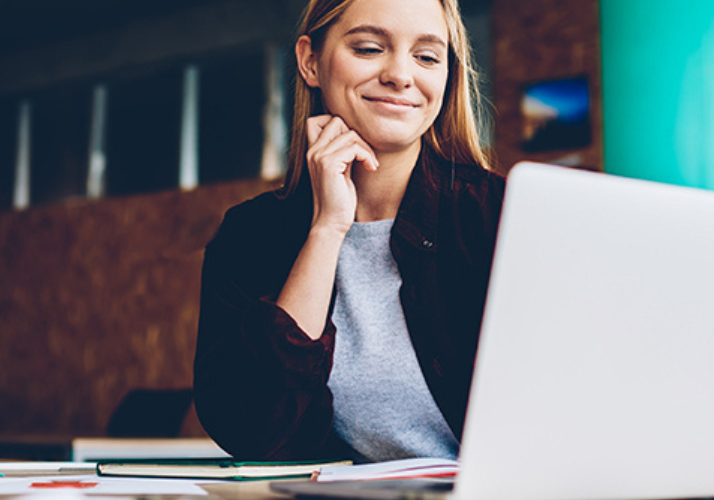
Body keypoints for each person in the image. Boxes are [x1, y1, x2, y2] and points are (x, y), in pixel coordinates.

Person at [194, 0, 504, 462]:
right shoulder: (251, 235)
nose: (401, 75)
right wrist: (327, 228)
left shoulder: (498, 216)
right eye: (368, 48)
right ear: (310, 61)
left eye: (426, 57)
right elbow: (249, 431)